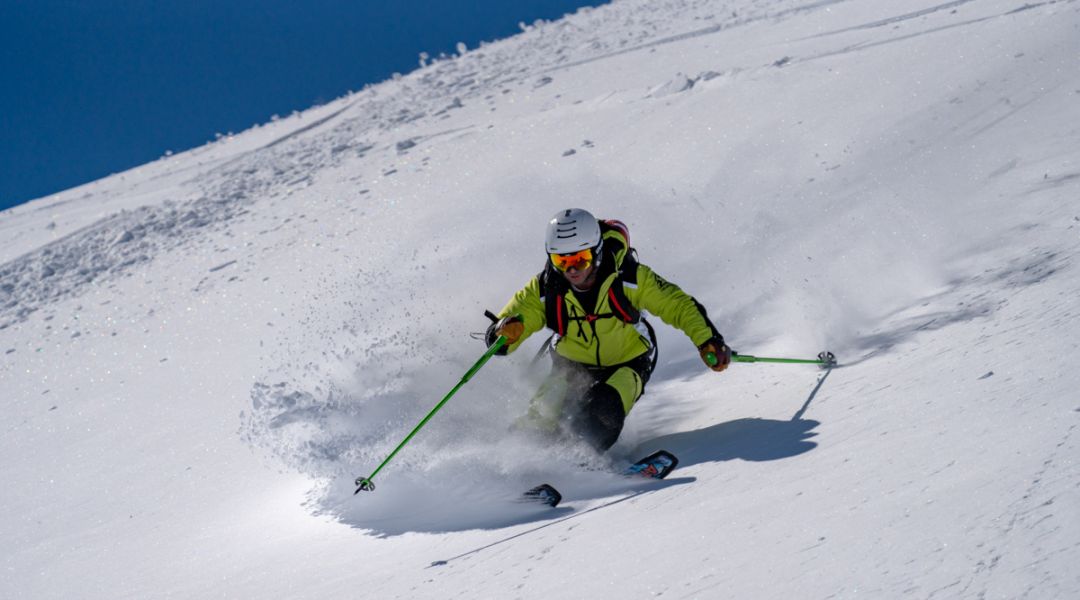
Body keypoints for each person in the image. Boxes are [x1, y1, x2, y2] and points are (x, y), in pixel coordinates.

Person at [486, 208, 731, 452]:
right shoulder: (544, 288)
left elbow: (678, 306)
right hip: (570, 367)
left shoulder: (629, 278)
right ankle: (520, 463)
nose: (572, 270)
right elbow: (507, 327)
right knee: (537, 423)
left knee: (602, 410)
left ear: (597, 252)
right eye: (562, 261)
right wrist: (504, 335)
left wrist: (707, 340)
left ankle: (580, 463)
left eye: (580, 259)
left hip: (628, 363)